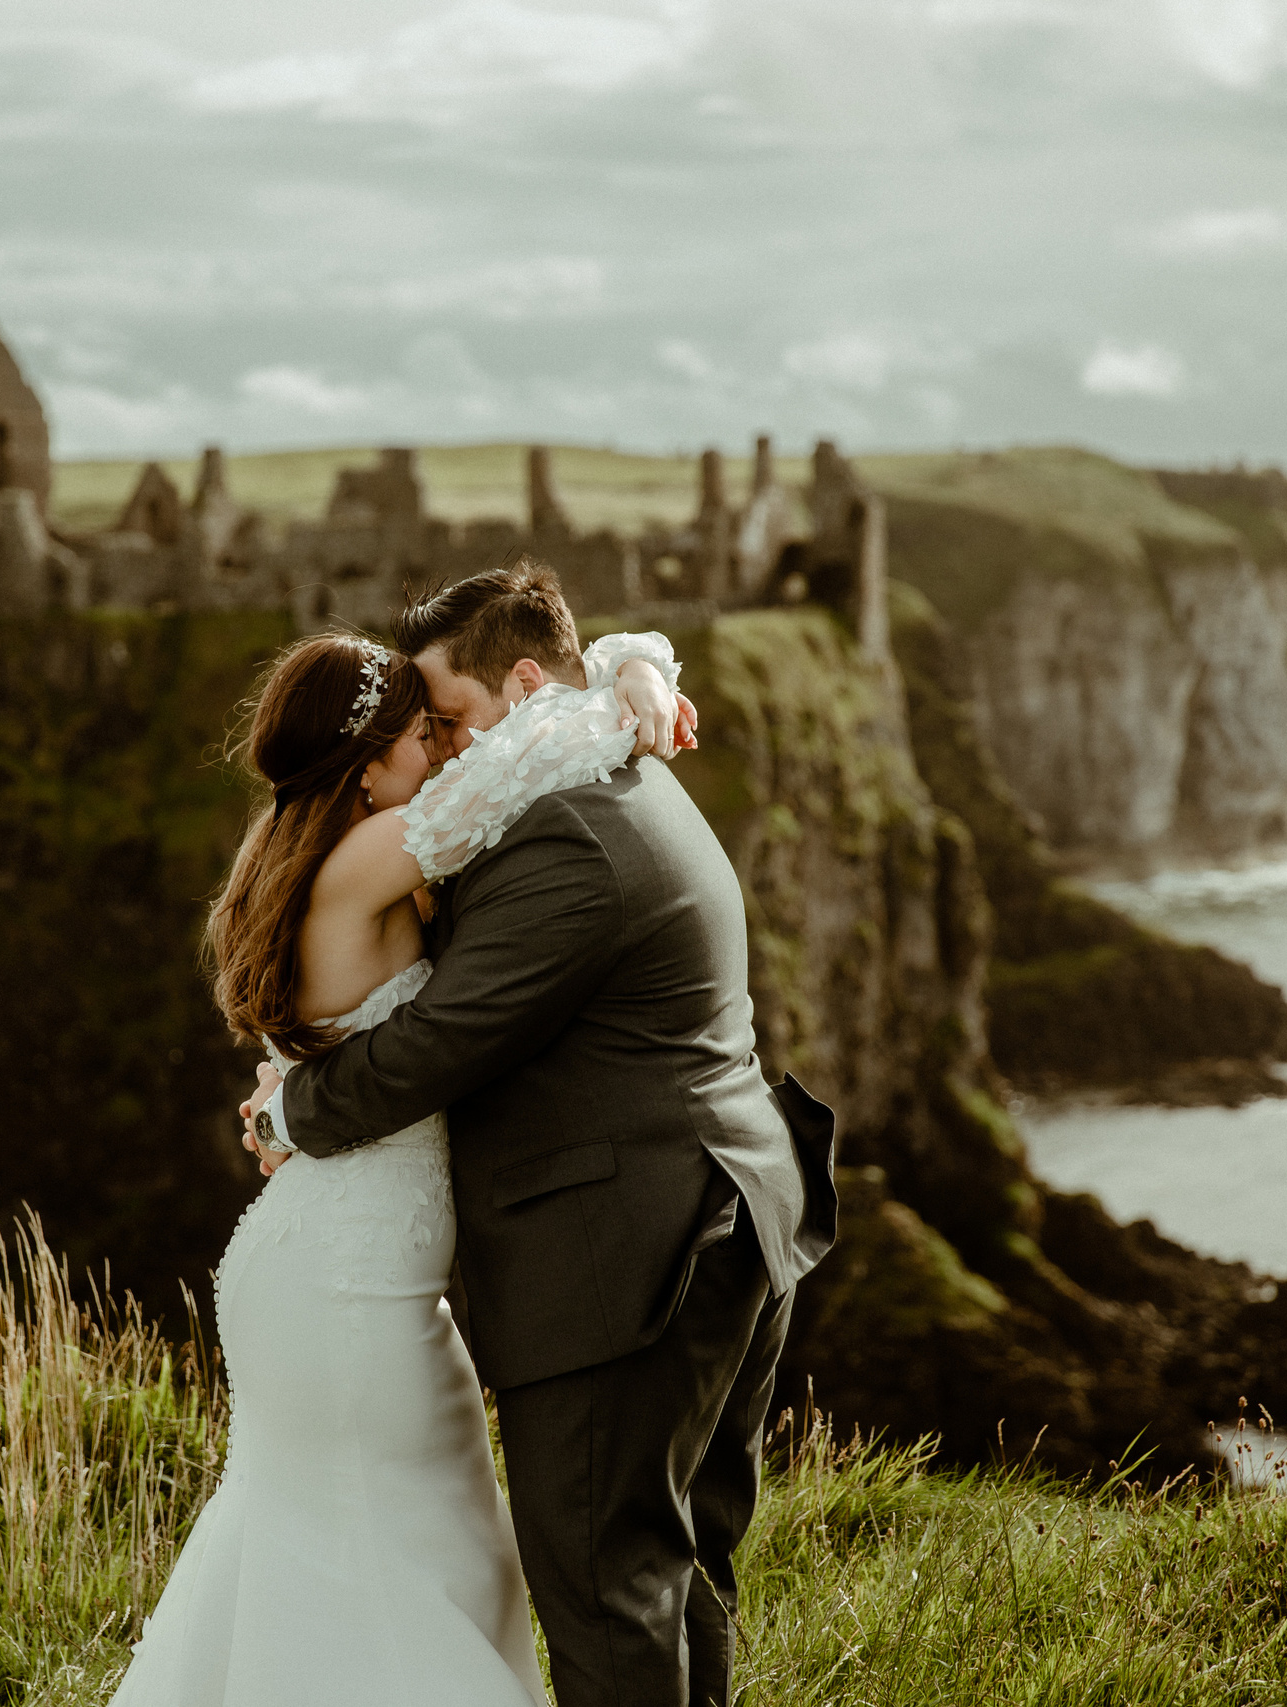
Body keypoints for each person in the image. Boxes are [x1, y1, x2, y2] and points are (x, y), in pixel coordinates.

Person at [247, 563, 838, 1707]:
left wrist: (288, 1110)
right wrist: (631, 667)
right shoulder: (606, 765)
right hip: (719, 1218)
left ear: (528, 690)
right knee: (671, 1575)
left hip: (631, 1261)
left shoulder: (565, 830)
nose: (453, 754)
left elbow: (441, 1042)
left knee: (610, 1596)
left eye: (456, 723)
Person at [109, 587, 701, 1707]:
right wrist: (634, 675)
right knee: (394, 1577)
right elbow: (547, 737)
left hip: (342, 1266)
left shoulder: (306, 858)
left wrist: (632, 660)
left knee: (383, 1562)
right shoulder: (381, 846)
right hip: (347, 1284)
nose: (445, 752)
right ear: (368, 767)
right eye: (422, 738)